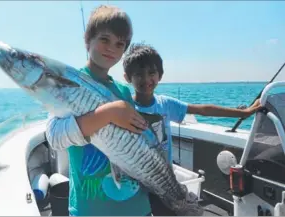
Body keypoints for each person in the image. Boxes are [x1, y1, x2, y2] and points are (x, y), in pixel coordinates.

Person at [122, 42, 262, 216]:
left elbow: (202, 109)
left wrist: (242, 113)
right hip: (136, 183)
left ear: (160, 75)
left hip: (165, 180)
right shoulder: (124, 107)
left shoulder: (164, 104)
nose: (146, 79)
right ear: (128, 77)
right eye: (138, 74)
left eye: (151, 73)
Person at [46, 5, 152, 216]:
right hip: (91, 208)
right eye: (104, 39)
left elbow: (134, 138)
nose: (111, 48)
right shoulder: (69, 83)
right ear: (88, 40)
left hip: (137, 206)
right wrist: (108, 113)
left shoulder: (122, 90)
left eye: (119, 43)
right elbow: (55, 137)